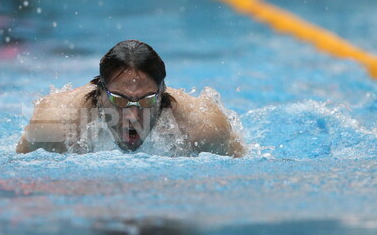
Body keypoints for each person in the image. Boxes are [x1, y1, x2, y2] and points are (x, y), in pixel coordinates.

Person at [16, 40, 245, 157]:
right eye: (119, 99)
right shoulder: (55, 124)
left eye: (146, 100)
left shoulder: (203, 126)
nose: (133, 116)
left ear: (162, 92)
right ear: (99, 92)